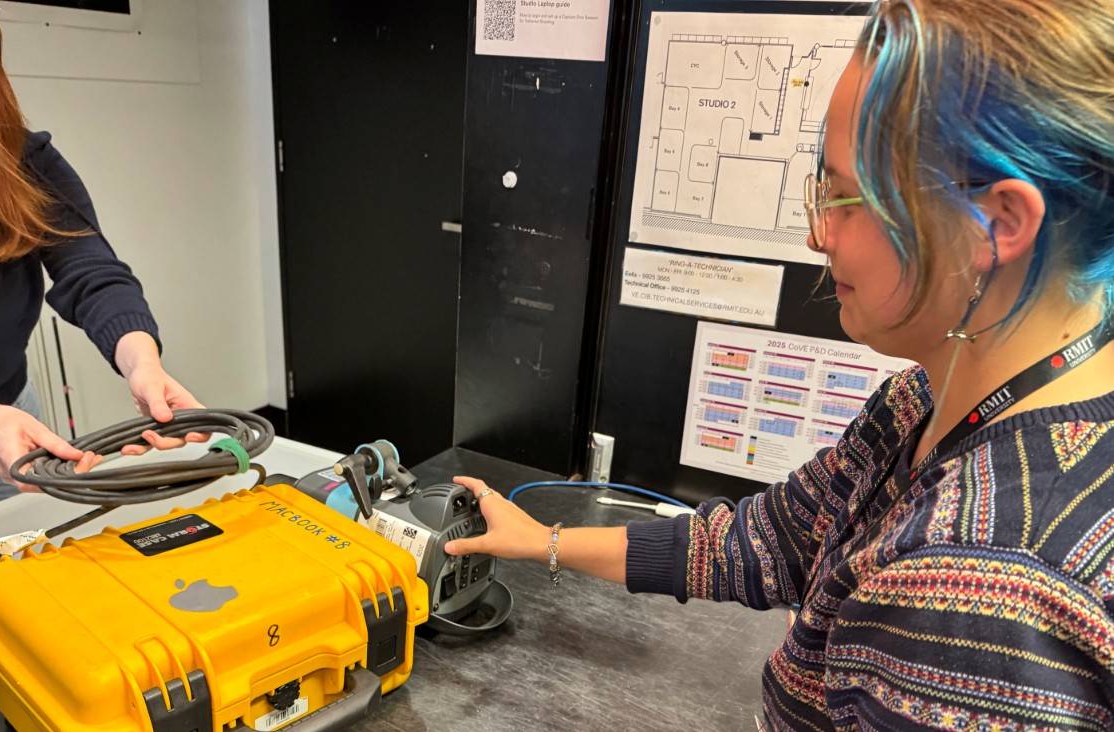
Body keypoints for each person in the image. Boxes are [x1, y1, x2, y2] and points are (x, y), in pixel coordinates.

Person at [445, 0, 1114, 728]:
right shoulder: (925, 401)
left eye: (847, 197)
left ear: (1000, 223)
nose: (816, 233)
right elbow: (765, 542)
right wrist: (541, 541)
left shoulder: (979, 592)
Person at [0, 0, 202, 540]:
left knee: (20, 589)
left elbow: (90, 268)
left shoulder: (26, 162)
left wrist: (142, 363)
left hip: (11, 420)